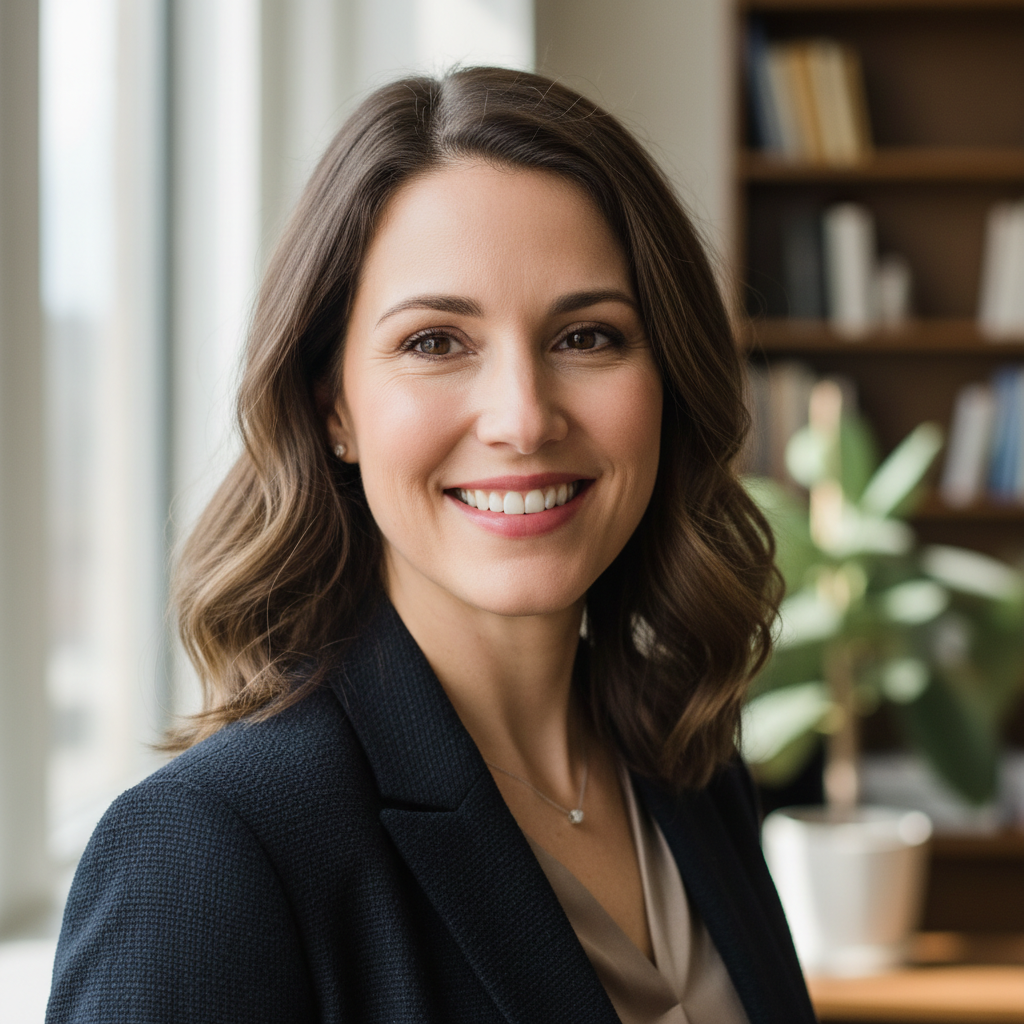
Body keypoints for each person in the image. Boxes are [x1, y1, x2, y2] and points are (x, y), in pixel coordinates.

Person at [47, 67, 816, 1024]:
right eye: (435, 343)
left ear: (667, 379)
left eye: (586, 336)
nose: (524, 419)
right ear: (335, 407)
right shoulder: (212, 848)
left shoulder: (690, 771)